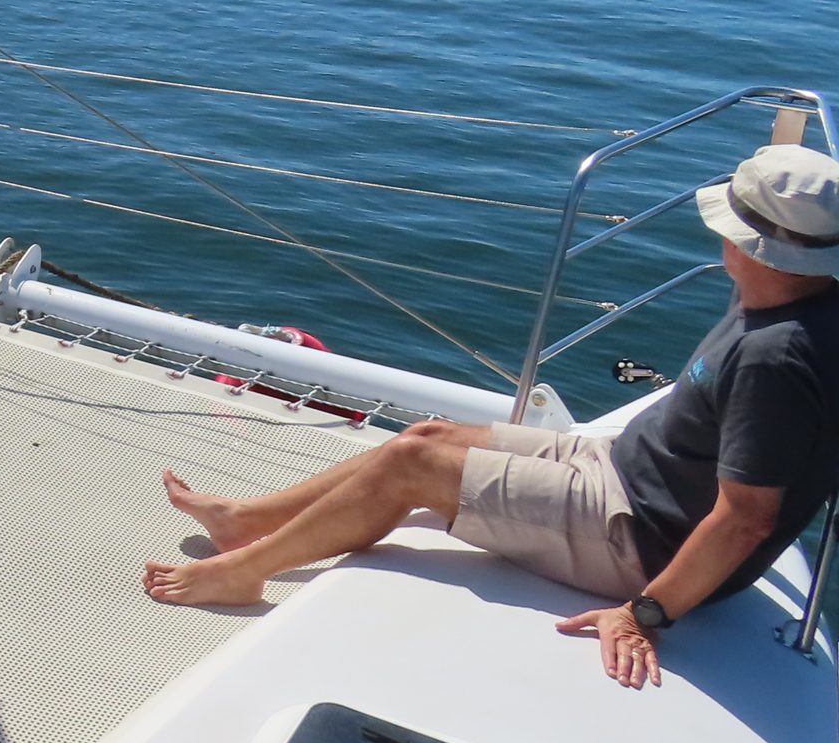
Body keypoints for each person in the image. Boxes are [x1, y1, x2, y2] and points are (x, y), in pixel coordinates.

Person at [144, 144, 839, 690]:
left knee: (407, 466)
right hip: (629, 469)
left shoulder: (778, 356)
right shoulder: (792, 298)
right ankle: (249, 521)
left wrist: (645, 614)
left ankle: (247, 571)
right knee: (427, 436)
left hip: (639, 535)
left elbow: (747, 516)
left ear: (752, 244)